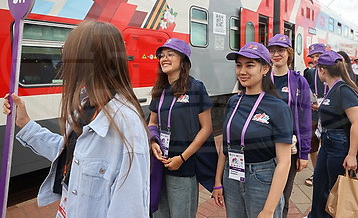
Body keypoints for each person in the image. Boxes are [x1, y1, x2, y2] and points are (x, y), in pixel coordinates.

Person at [3, 21, 150, 217]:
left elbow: (129, 208)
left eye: (67, 52)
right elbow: (70, 153)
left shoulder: (126, 124)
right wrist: (25, 123)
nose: (62, 60)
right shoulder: (86, 105)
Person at [212, 42, 293, 218]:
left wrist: (269, 210)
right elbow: (225, 147)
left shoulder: (278, 107)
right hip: (231, 175)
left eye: (250, 65)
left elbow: (284, 162)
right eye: (239, 65)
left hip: (262, 178)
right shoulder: (234, 101)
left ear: (265, 69)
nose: (242, 71)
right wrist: (218, 181)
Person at [148, 38, 218, 218]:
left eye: (170, 54)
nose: (164, 58)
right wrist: (153, 141)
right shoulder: (160, 90)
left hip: (183, 166)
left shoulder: (196, 88)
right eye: (162, 55)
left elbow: (206, 128)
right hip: (159, 164)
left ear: (183, 60)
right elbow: (152, 122)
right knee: (159, 213)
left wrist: (182, 158)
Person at [307, 50, 358, 218]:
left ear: (322, 70)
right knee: (319, 182)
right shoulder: (332, 88)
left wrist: (352, 155)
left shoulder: (344, 89)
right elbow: (336, 110)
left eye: (318, 69)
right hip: (328, 143)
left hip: (340, 146)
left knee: (334, 189)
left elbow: (356, 123)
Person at [267, 34, 312, 218]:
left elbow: (305, 118)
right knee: (261, 195)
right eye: (272, 50)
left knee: (283, 196)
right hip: (263, 146)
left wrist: (304, 153)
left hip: (288, 148)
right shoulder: (262, 78)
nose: (276, 54)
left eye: (280, 50)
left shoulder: (298, 81)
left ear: (289, 54)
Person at [303, 43, 326, 186]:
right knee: (313, 146)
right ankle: (317, 172)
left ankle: (325, 173)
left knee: (327, 145)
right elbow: (306, 92)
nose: (315, 59)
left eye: (318, 55)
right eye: (313, 56)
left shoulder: (334, 72)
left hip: (329, 116)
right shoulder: (310, 73)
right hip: (313, 115)